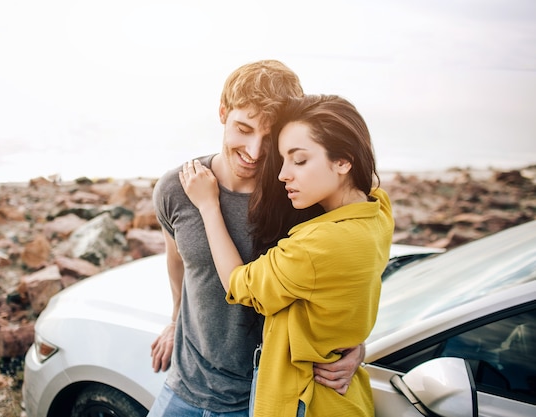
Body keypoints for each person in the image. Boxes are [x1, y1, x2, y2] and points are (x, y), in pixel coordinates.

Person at [148, 61, 364, 417]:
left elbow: (341, 281)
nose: (255, 151)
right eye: (243, 129)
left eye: (269, 137)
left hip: (265, 398)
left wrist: (357, 346)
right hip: (185, 386)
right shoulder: (178, 187)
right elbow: (178, 260)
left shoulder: (299, 198)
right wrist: (174, 321)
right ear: (222, 113)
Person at [179, 94, 394, 416]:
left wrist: (209, 206)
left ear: (343, 161)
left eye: (300, 160)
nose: (282, 175)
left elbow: (240, 285)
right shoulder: (379, 210)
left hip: (304, 402)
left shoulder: (315, 245)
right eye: (282, 159)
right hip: (344, 399)